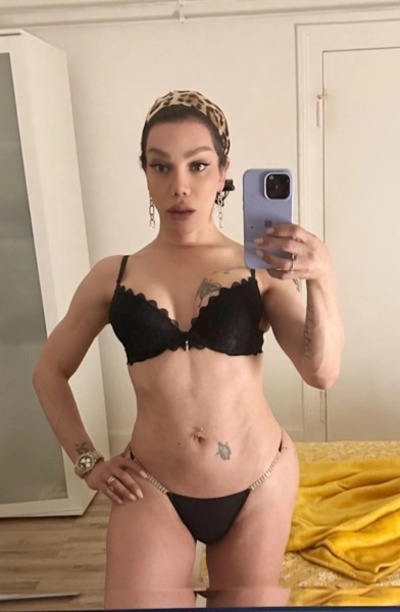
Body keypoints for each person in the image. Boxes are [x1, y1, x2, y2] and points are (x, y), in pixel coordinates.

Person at [32, 89, 344, 609]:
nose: (179, 186)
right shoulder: (113, 275)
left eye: (198, 166)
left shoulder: (260, 270)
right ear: (145, 173)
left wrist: (323, 277)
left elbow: (322, 372)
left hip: (259, 483)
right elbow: (49, 372)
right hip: (152, 489)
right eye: (161, 166)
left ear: (223, 173)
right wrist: (87, 462)